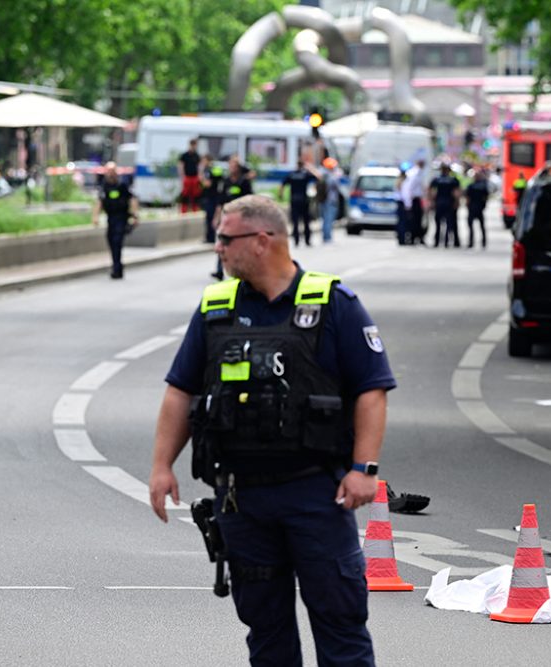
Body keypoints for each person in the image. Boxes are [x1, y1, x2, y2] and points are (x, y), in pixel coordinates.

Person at [148, 194, 394, 666]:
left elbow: (371, 389)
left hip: (316, 493)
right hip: (242, 499)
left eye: (225, 238)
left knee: (339, 622)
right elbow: (181, 391)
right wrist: (162, 466)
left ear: (262, 241)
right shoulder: (216, 308)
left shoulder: (332, 304)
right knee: (266, 629)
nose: (217, 247)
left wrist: (364, 468)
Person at [91, 161, 138, 279]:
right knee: (111, 241)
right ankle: (118, 265)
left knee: (117, 242)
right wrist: (95, 216)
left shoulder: (122, 184)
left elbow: (132, 199)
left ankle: (116, 269)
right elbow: (100, 201)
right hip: (110, 218)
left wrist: (135, 215)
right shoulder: (104, 186)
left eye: (112, 171)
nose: (110, 174)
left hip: (122, 217)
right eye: (108, 171)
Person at [211, 156, 254, 280]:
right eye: (230, 165)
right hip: (227, 217)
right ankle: (219, 270)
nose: (231, 168)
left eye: (234, 166)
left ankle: (241, 269)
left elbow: (250, 200)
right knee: (222, 242)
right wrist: (217, 217)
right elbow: (220, 201)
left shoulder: (244, 182)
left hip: (240, 217)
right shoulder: (226, 182)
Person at [279, 159, 318, 247]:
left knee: (295, 222)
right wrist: (310, 168)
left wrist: (280, 195)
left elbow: (282, 184)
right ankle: (307, 240)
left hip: (294, 200)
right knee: (306, 222)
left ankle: (296, 240)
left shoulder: (292, 174)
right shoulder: (306, 174)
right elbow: (318, 177)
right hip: (304, 200)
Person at [428, 163, 461, 248]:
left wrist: (431, 202)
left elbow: (431, 191)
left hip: (439, 203)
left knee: (438, 223)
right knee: (448, 223)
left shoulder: (437, 179)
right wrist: (457, 202)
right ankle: (446, 242)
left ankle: (437, 241)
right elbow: (456, 193)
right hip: (449, 203)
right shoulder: (453, 180)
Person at [200, 155, 224, 244]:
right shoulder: (216, 169)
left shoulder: (208, 171)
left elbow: (208, 184)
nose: (203, 163)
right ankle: (212, 237)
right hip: (214, 196)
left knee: (210, 218)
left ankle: (210, 238)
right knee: (212, 217)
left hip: (211, 197)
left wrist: (201, 176)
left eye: (204, 161)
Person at [401, 158, 426, 245]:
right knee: (414, 221)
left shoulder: (418, 173)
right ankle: (412, 238)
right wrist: (408, 203)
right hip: (413, 200)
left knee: (418, 220)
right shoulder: (414, 174)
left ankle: (417, 237)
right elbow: (408, 189)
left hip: (416, 200)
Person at [464, 169, 490, 249]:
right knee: (481, 226)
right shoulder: (483, 186)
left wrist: (467, 206)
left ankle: (471, 242)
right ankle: (483, 242)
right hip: (479, 208)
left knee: (471, 226)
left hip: (472, 208)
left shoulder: (471, 186)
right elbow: (486, 197)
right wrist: (484, 206)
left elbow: (467, 198)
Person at [318, 157, 341, 243]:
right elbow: (336, 186)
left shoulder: (321, 174)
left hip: (321, 199)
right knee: (328, 219)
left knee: (324, 219)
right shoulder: (332, 176)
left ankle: (325, 236)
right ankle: (327, 237)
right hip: (330, 200)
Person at [178, 138, 202, 214]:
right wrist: (182, 176)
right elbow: (181, 166)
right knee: (185, 194)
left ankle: (195, 209)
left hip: (194, 177)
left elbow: (199, 167)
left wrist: (199, 176)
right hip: (187, 177)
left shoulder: (197, 156)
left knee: (195, 194)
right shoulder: (184, 155)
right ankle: (183, 209)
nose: (193, 147)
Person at [394, 166, 410, 246]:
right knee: (403, 222)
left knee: (400, 222)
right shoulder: (403, 182)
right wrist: (408, 205)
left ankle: (400, 238)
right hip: (402, 203)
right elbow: (405, 195)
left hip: (399, 203)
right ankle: (402, 239)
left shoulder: (398, 181)